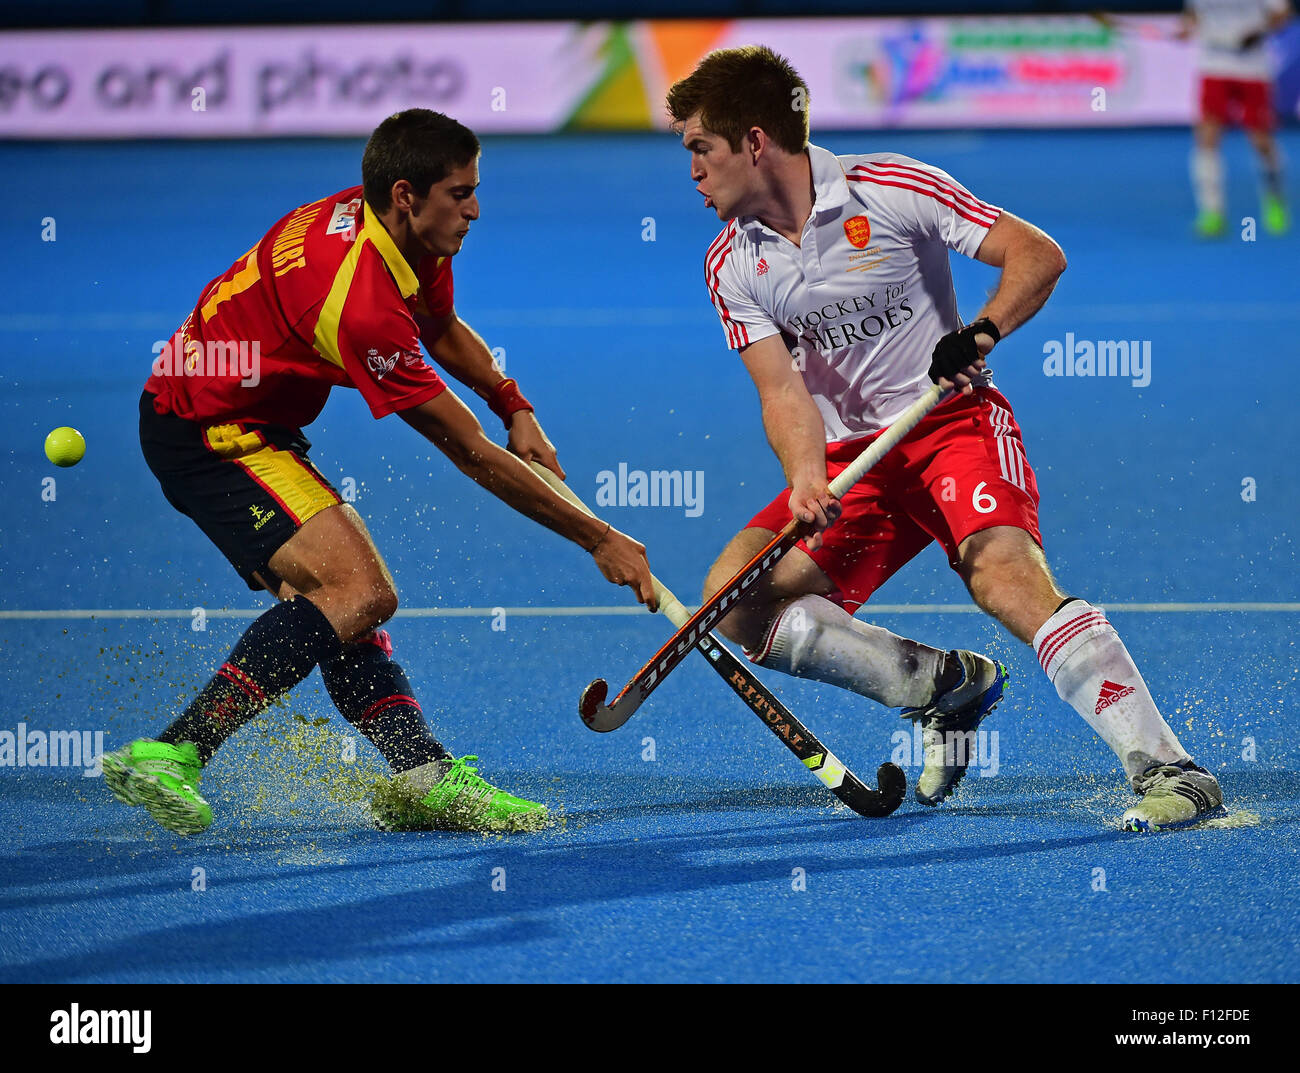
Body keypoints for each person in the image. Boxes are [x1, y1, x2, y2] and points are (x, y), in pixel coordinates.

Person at [667, 46, 1226, 831]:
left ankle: (1170, 767)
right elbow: (780, 389)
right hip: (850, 459)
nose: (689, 169)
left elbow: (1036, 254)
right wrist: (802, 475)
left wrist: (981, 331)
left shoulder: (888, 186)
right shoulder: (731, 262)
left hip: (950, 426)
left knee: (1002, 578)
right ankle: (940, 684)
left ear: (755, 142)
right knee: (734, 601)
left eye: (700, 147)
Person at [103, 109, 658, 837]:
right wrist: (598, 537)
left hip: (237, 414)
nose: (474, 209)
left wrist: (512, 404)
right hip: (206, 431)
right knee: (358, 592)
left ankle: (421, 774)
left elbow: (436, 326)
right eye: (460, 194)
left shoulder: (398, 228)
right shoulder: (357, 303)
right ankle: (175, 749)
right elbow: (466, 453)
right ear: (406, 193)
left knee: (339, 606)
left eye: (475, 188)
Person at [1182, 0, 1293, 236]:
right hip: (1213, 66)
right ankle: (1212, 212)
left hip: (1253, 70)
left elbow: (1284, 13)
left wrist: (1257, 33)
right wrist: (1188, 27)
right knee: (1207, 137)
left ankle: (1274, 197)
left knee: (1261, 142)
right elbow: (1193, 15)